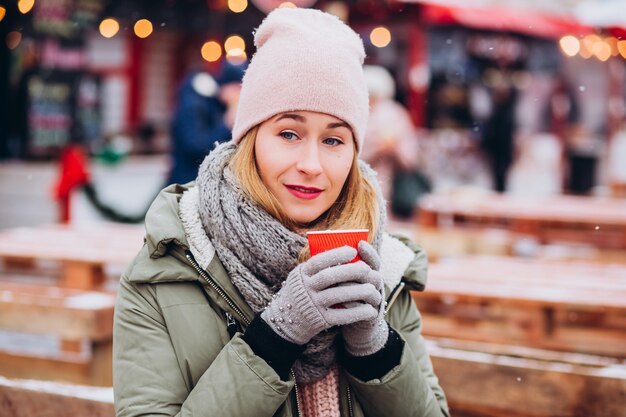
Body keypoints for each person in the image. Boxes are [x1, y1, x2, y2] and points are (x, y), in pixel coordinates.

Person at [113, 8, 449, 417]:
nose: (312, 163)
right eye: (289, 133)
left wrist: (375, 350)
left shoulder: (388, 271)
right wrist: (274, 338)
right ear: (251, 139)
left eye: (334, 140)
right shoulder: (168, 271)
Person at [167, 61, 246, 184]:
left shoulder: (221, 107)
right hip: (188, 180)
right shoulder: (196, 104)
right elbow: (195, 147)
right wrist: (226, 125)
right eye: (238, 88)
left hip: (209, 180)